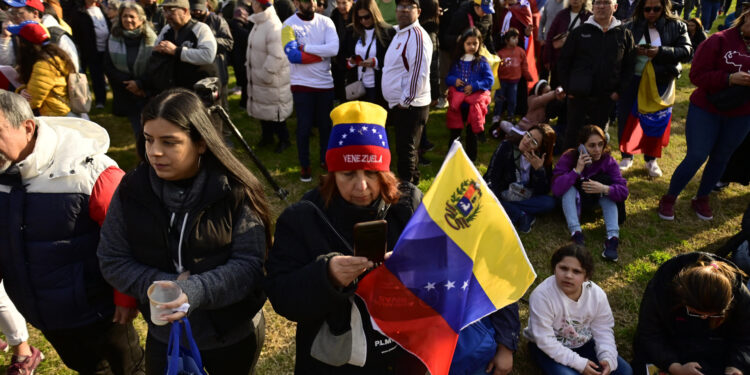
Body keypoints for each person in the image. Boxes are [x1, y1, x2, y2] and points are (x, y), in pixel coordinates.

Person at [97, 88, 270, 374]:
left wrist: (194, 290)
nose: (154, 152)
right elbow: (112, 259)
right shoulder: (131, 189)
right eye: (149, 139)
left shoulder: (236, 190)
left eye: (169, 142)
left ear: (201, 143)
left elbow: (250, 266)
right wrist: (166, 285)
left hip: (231, 336)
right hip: (165, 337)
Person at [265, 101, 426, 374]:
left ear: (385, 173)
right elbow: (281, 296)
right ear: (331, 173)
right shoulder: (302, 218)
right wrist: (327, 276)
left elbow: (441, 270)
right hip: (332, 361)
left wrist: (410, 270)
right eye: (348, 174)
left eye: (372, 174)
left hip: (400, 355)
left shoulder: (408, 204)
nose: (361, 186)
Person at [0, 90, 145, 375]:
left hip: (101, 314)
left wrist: (126, 297)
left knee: (127, 369)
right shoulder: (5, 168)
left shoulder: (90, 171)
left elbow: (129, 237)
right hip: (43, 311)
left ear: (27, 127)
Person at [657, 9, 750, 221]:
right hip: (707, 108)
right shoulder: (719, 40)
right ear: (746, 16)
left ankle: (702, 197)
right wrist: (728, 78)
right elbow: (696, 75)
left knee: (721, 157)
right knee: (697, 155)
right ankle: (670, 197)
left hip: (742, 113)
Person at [631, 252, 750, 375]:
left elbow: (746, 336)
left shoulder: (739, 295)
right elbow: (649, 334)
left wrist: (737, 366)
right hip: (671, 348)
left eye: (714, 315)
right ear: (682, 298)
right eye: (696, 313)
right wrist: (675, 367)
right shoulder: (662, 289)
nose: (704, 318)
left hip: (716, 350)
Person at [525, 244, 633, 375]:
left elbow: (603, 330)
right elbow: (544, 340)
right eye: (563, 268)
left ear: (586, 277)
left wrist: (607, 358)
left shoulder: (596, 295)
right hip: (546, 348)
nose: (568, 275)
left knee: (625, 371)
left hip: (582, 343)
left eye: (576, 271)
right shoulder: (542, 296)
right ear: (554, 268)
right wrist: (579, 363)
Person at [617, 0, 692, 177]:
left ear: (664, 8)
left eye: (656, 9)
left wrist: (660, 52)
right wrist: (633, 50)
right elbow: (618, 51)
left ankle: (651, 159)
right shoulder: (630, 25)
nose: (651, 13)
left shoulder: (677, 26)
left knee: (655, 120)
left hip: (660, 79)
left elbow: (687, 51)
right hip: (632, 79)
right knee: (627, 117)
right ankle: (626, 156)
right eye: (647, 9)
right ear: (641, 9)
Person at [557, 0, 636, 151]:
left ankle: (594, 172)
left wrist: (618, 92)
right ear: (592, 7)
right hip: (578, 96)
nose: (601, 6)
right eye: (597, 3)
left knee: (598, 139)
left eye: (606, 3)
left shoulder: (624, 34)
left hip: (605, 98)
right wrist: (568, 89)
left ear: (615, 7)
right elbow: (563, 63)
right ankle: (566, 172)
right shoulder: (579, 32)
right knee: (573, 136)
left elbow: (629, 67)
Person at [552, 125, 629, 261]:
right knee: (567, 188)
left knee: (608, 188)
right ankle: (576, 234)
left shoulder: (608, 161)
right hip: (575, 201)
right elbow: (556, 189)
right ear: (582, 146)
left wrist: (604, 188)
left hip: (595, 201)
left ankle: (612, 239)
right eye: (592, 146)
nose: (597, 150)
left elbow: (623, 192)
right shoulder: (569, 157)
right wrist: (576, 170)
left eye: (600, 144)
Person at [282, 0, 339, 182]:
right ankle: (304, 164)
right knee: (304, 128)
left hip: (325, 84)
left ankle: (325, 159)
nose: (312, 3)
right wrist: (322, 53)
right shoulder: (288, 25)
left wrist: (305, 47)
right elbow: (293, 56)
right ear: (296, 3)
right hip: (302, 85)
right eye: (307, 0)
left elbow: (334, 49)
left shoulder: (326, 22)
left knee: (325, 127)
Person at [381, 0, 432, 184]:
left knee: (406, 152)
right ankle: (413, 187)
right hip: (400, 103)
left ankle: (406, 195)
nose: (403, 10)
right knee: (406, 149)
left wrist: (405, 101)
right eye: (400, 6)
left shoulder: (417, 36)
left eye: (409, 6)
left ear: (418, 11)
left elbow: (419, 73)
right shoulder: (401, 33)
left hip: (410, 105)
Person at [484, 124, 557, 233]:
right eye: (528, 135)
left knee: (549, 203)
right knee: (487, 196)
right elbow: (491, 176)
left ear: (541, 149)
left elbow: (543, 191)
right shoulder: (506, 146)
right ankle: (520, 214)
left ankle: (511, 210)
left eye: (534, 142)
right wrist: (495, 198)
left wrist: (539, 171)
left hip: (525, 197)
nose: (527, 141)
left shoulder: (541, 161)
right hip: (502, 193)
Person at [246, 0, 293, 153]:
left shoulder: (272, 25)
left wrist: (265, 74)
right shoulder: (260, 22)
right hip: (260, 78)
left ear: (258, 4)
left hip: (271, 79)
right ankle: (267, 137)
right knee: (263, 109)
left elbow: (278, 55)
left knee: (276, 113)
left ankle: (284, 140)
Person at [104, 2, 156, 136]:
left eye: (132, 16)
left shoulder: (152, 40)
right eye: (124, 16)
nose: (128, 20)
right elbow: (108, 65)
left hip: (147, 91)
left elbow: (155, 67)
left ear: (141, 19)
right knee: (138, 130)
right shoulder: (113, 38)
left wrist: (140, 84)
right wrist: (130, 84)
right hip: (126, 91)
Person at [145, 0, 218, 95]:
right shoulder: (166, 29)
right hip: (174, 90)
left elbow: (208, 56)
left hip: (199, 92)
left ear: (185, 11)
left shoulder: (201, 29)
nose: (167, 15)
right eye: (165, 11)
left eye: (171, 10)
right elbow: (155, 52)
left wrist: (176, 51)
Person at [445, 26, 494, 161]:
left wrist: (475, 86)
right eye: (469, 43)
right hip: (459, 105)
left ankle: (471, 159)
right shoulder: (457, 61)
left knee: (472, 133)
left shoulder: (482, 62)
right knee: (455, 132)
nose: (472, 46)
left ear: (480, 43)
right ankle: (452, 158)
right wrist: (454, 80)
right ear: (463, 44)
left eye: (475, 43)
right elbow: (448, 78)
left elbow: (489, 80)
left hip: (473, 105)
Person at [10, 21, 74, 116]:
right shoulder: (55, 55)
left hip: (52, 116)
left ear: (24, 43)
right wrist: (21, 91)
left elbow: (33, 101)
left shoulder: (44, 65)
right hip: (58, 111)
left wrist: (15, 100)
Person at [339, 0, 395, 106]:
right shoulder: (351, 31)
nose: (363, 21)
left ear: (374, 14)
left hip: (378, 86)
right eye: (360, 18)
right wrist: (350, 62)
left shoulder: (388, 32)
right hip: (356, 86)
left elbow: (393, 59)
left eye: (367, 17)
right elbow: (341, 56)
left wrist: (376, 62)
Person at [2, 0, 80, 71]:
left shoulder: (56, 35)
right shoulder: (19, 33)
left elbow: (73, 68)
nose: (14, 17)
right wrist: (5, 38)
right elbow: (6, 62)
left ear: (35, 14)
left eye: (19, 13)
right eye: (11, 12)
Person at [189, 0, 233, 108]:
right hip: (197, 72)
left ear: (207, 4)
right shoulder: (190, 23)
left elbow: (229, 43)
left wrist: (207, 42)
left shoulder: (217, 20)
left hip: (217, 71)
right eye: (194, 9)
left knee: (220, 106)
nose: (197, 12)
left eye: (199, 9)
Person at [542, 0, 591, 88]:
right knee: (557, 90)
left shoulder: (589, 17)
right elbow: (550, 36)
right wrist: (547, 58)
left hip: (580, 63)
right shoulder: (562, 15)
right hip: (560, 61)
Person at [71, 0, 110, 109]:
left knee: (110, 74)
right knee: (96, 75)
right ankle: (100, 100)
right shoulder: (79, 12)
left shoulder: (102, 8)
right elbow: (77, 32)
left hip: (107, 49)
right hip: (91, 50)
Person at [493, 28, 532, 125]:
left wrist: (528, 76)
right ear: (506, 40)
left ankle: (510, 115)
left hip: (514, 82)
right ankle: (497, 115)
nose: (516, 40)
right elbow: (495, 67)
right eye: (513, 38)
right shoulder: (501, 53)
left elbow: (524, 66)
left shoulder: (521, 52)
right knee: (499, 98)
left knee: (512, 100)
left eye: (517, 38)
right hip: (502, 81)